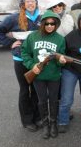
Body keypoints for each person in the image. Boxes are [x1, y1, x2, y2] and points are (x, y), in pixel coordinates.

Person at [0, 0, 41, 132]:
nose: (30, 3)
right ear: (23, 4)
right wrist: (10, 43)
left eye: (33, 1)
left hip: (36, 60)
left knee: (35, 90)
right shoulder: (14, 18)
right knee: (24, 90)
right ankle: (27, 121)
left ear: (36, 3)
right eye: (27, 1)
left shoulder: (41, 17)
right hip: (20, 59)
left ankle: (37, 117)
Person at [21, 10, 65, 139]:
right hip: (38, 76)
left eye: (53, 23)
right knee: (41, 101)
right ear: (42, 24)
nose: (50, 26)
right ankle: (45, 124)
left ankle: (53, 123)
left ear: (56, 24)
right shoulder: (32, 36)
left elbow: (61, 59)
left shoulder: (60, 39)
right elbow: (25, 53)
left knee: (53, 100)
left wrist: (61, 61)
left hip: (54, 76)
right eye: (47, 23)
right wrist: (31, 65)